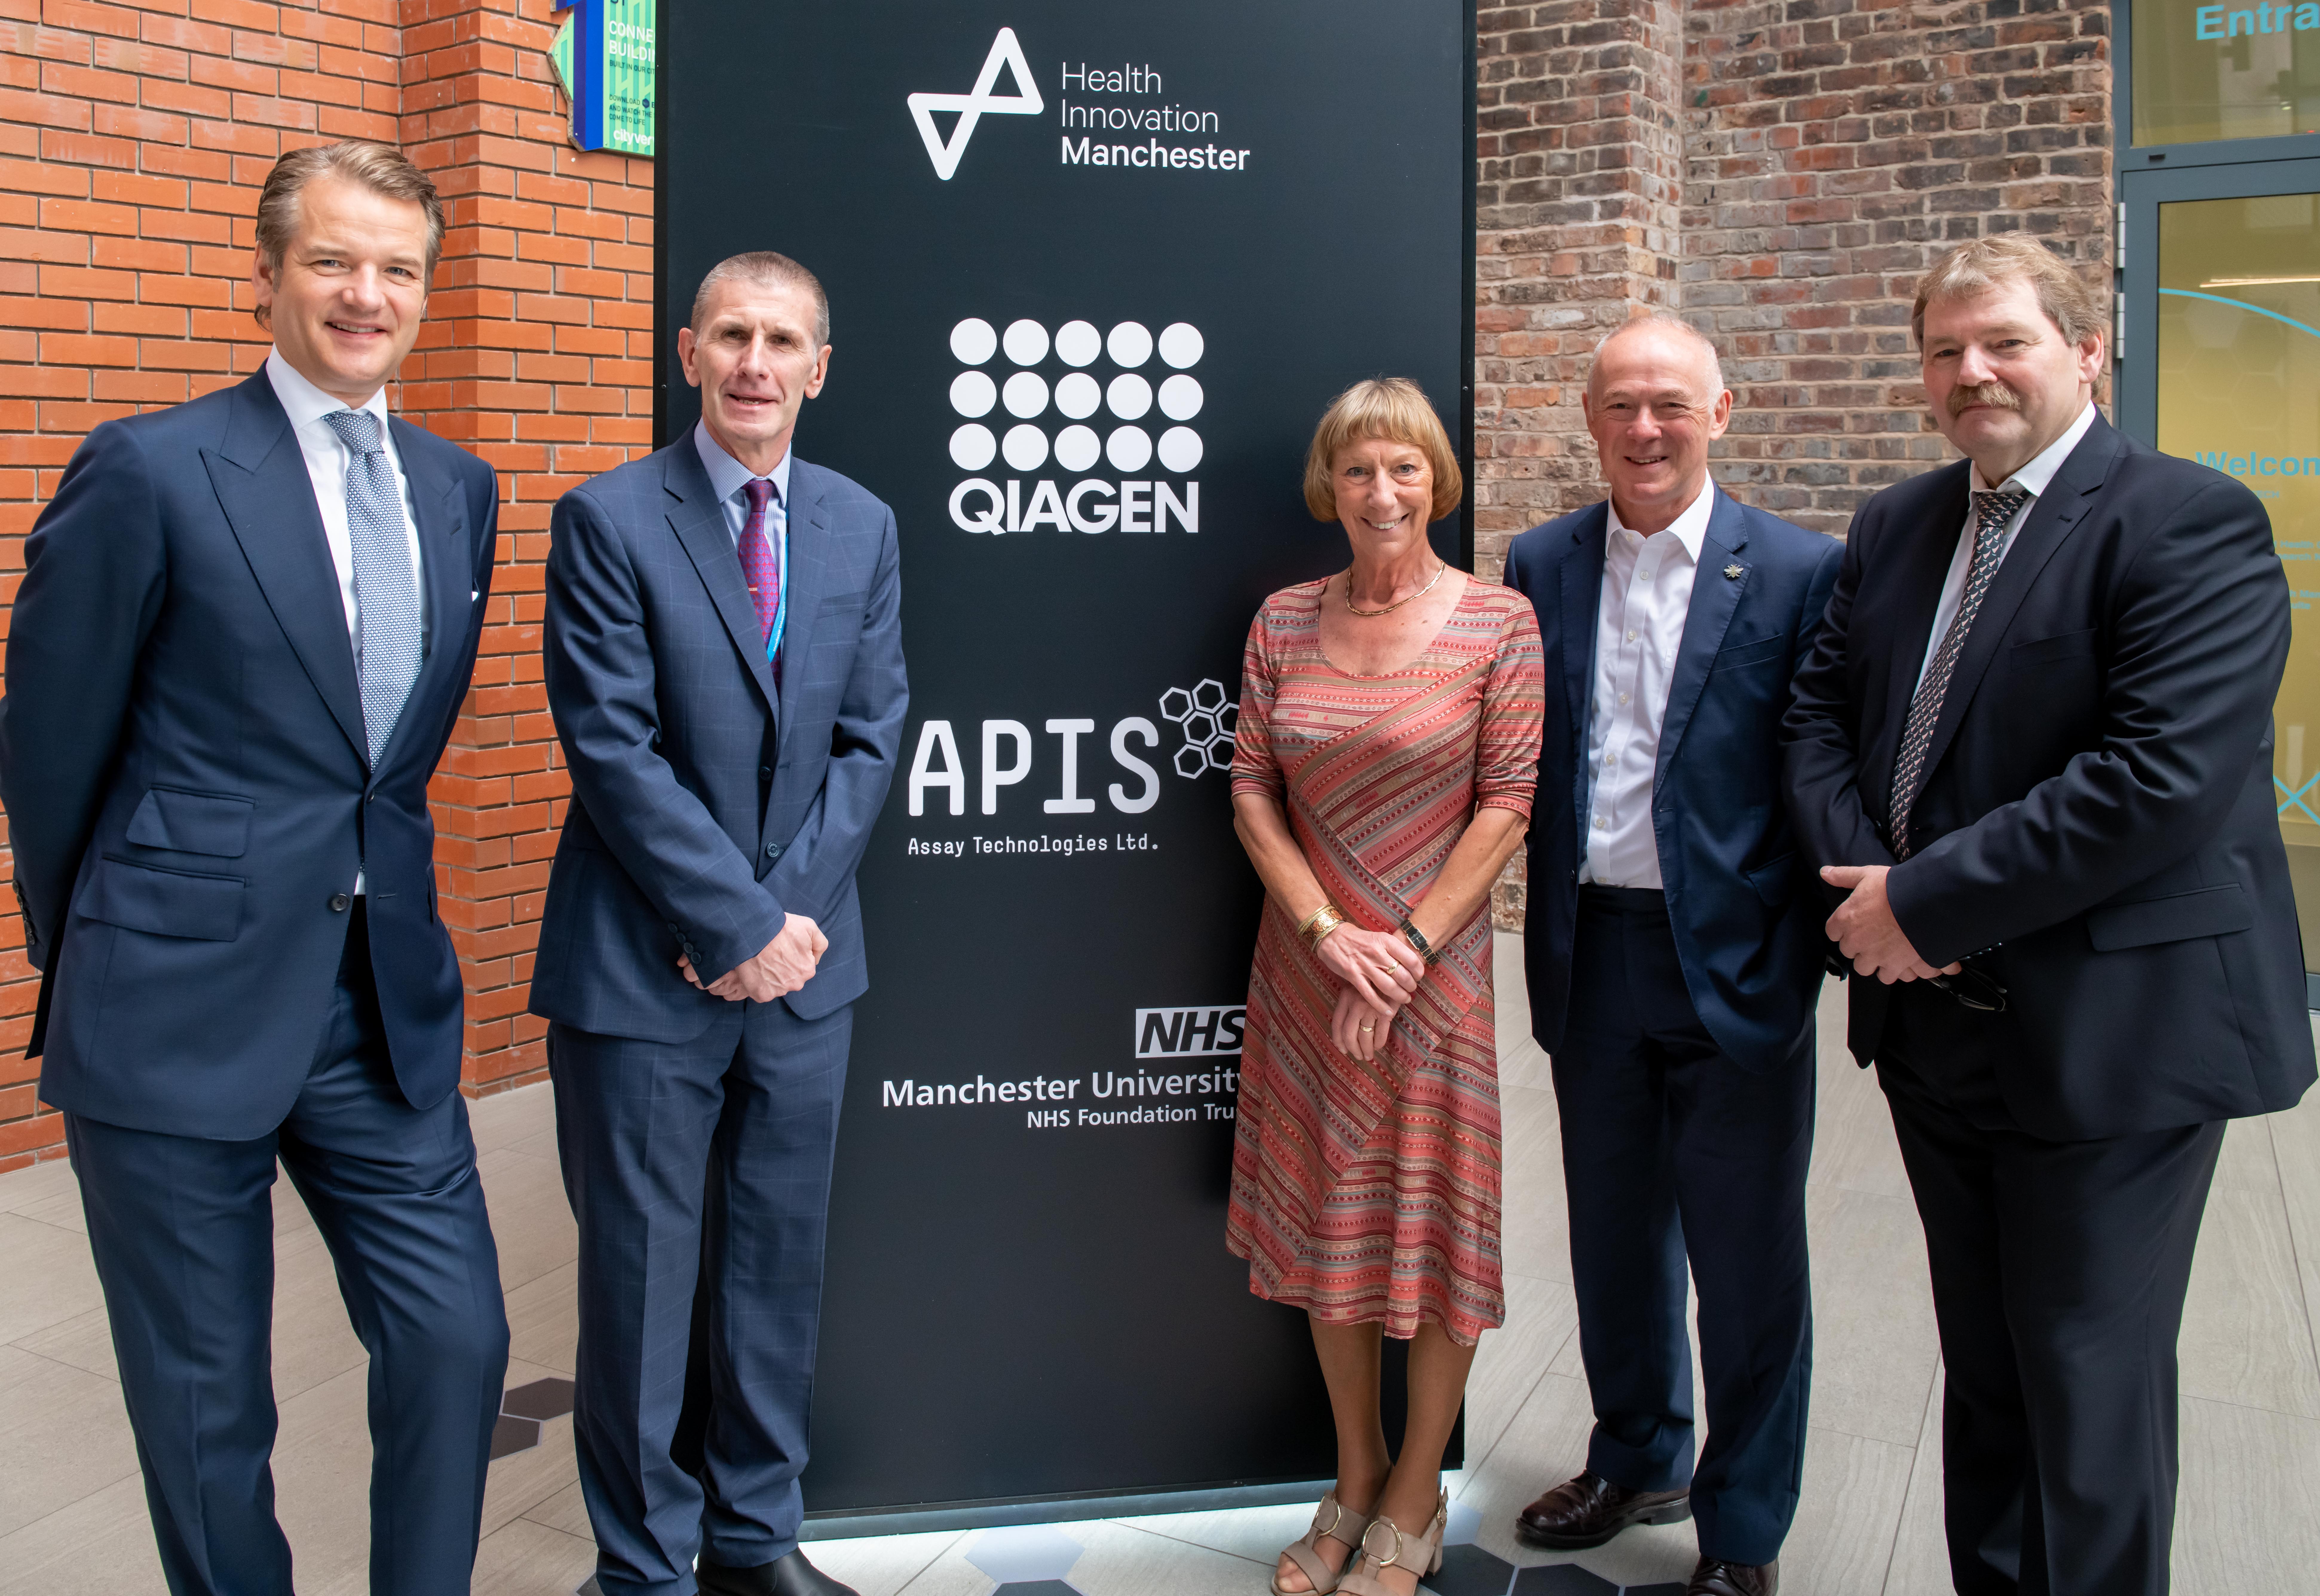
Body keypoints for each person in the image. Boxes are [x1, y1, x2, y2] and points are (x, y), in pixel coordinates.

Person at [0, 142, 509, 1595]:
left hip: (379, 1013)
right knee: (209, 1407)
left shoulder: (458, 486)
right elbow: (49, 748)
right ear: (271, 271)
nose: (368, 295)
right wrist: (105, 945)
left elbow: (388, 761)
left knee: (457, 1337)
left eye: (399, 269)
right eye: (335, 261)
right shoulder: (151, 467)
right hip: (168, 1009)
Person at [1781, 235, 2316, 1595]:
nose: (1972, 373)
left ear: (2085, 350)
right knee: (1988, 1378)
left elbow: (2159, 780)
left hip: (2109, 1037)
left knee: (2087, 1389)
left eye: (2004, 342)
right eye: (1945, 351)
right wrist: (1873, 896)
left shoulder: (2185, 518)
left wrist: (1929, 899)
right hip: (1933, 1037)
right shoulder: (1898, 524)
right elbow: (1818, 720)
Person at [534, 250, 907, 1596]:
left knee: (773, 1267)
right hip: (642, 968)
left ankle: (754, 1540)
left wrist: (778, 924)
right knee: (638, 1283)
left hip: (803, 975)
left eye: (783, 340)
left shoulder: (863, 523)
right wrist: (732, 916)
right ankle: (641, 1564)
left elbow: (872, 739)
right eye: (732, 336)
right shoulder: (609, 518)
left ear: (821, 366)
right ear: (687, 351)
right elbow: (612, 748)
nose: (757, 362)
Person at [1500, 315, 1840, 1596]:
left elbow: (1819, 767)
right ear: (1588, 417)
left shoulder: (1802, 570)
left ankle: (1741, 1526)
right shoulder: (1541, 564)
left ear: (1721, 410)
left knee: (1748, 1258)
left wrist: (1816, 938)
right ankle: (1637, 1450)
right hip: (1592, 954)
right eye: (1622, 406)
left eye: (1670, 406)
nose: (1646, 430)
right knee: (1612, 1237)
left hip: (1737, 966)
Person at [1229, 378, 1544, 1596]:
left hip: (1436, 980)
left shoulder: (1498, 623)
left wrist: (1403, 948)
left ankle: (1417, 1493)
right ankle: (1353, 1476)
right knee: (1331, 1230)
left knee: (1436, 1225)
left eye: (1405, 470)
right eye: (1359, 469)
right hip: (1310, 977)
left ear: (1437, 480)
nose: (1382, 493)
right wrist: (1325, 933)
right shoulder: (1278, 621)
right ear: (1329, 484)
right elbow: (1251, 788)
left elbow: (1509, 801)